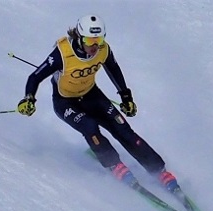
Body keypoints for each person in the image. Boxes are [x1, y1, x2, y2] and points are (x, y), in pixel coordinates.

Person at [16, 14, 185, 197]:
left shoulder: (103, 50)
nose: (95, 46)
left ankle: (158, 169)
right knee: (90, 127)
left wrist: (126, 97)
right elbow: (35, 77)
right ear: (80, 37)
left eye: (99, 40)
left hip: (91, 96)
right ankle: (114, 164)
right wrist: (28, 98)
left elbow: (114, 69)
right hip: (65, 102)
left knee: (123, 129)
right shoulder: (62, 53)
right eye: (90, 40)